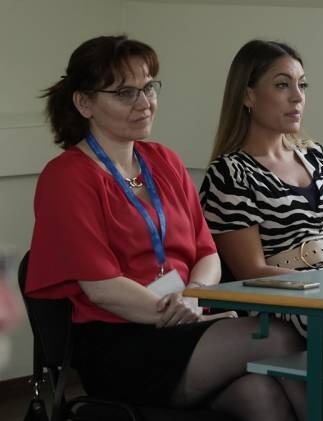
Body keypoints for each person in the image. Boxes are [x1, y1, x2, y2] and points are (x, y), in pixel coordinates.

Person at [25, 35, 307, 421]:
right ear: (84, 103)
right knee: (280, 336)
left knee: (260, 395)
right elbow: (102, 288)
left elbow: (207, 253)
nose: (144, 103)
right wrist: (179, 312)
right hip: (122, 341)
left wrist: (194, 296)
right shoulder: (67, 176)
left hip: (183, 321)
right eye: (125, 93)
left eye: (148, 88)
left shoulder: (165, 161)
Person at [199, 40, 323, 341]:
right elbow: (251, 271)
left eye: (302, 85)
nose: (297, 96)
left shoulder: (320, 156)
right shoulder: (229, 172)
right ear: (248, 95)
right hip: (284, 301)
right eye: (282, 85)